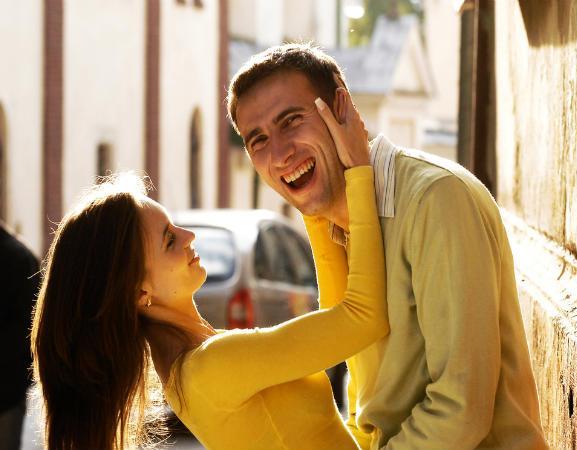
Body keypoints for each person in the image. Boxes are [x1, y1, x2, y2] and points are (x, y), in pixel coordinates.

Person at [227, 43, 548, 449]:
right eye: (258, 140)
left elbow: (461, 409)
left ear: (340, 107)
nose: (279, 154)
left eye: (291, 121)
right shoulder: (338, 225)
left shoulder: (435, 199)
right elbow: (369, 408)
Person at [30, 97, 387, 450]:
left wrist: (313, 206)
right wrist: (358, 170)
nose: (189, 236)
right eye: (170, 240)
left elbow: (339, 321)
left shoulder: (199, 360)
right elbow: (363, 318)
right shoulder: (211, 367)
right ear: (139, 293)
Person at [0, 224, 40, 450]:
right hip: (9, 388)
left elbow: (28, 328)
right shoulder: (20, 256)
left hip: (6, 389)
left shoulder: (18, 258)